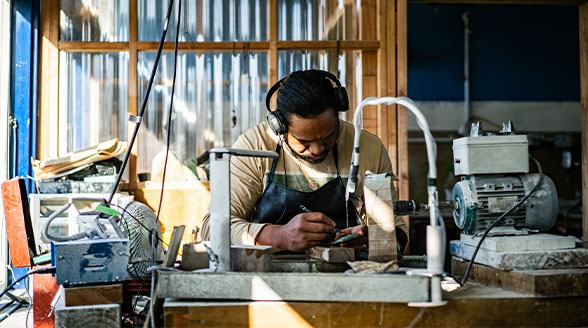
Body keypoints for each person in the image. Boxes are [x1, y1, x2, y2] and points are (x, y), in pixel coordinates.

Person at [201, 69, 408, 253]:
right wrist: (279, 237)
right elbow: (213, 229)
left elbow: (396, 235)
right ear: (279, 127)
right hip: (268, 277)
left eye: (328, 136)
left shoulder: (367, 148)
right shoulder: (254, 147)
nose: (317, 149)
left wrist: (372, 241)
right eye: (304, 142)